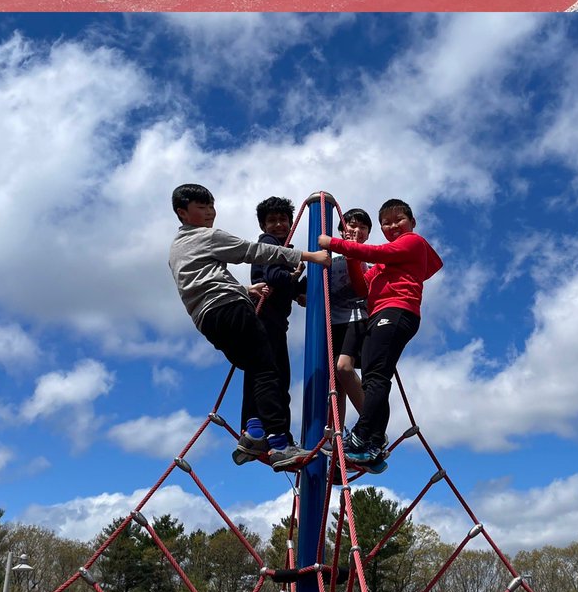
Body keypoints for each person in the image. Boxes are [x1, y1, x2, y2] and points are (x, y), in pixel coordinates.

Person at [168, 183, 330, 470]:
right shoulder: (207, 236)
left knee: (257, 369)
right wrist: (310, 257)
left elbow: (200, 282)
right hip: (232, 309)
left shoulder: (176, 248)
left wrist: (245, 289)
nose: (210, 213)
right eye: (201, 208)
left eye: (211, 206)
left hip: (207, 319)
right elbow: (252, 251)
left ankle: (254, 432)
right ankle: (280, 443)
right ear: (182, 213)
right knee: (270, 372)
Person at [319, 199, 443, 470]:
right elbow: (362, 286)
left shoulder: (413, 242)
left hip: (396, 310)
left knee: (375, 377)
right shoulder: (385, 266)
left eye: (398, 219)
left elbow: (375, 253)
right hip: (381, 314)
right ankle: (372, 444)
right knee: (376, 376)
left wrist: (331, 242)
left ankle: (363, 437)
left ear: (412, 222)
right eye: (386, 223)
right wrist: (352, 257)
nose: (392, 225)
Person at [240, 196, 306, 451]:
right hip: (264, 318)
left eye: (283, 219)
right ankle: (275, 436)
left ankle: (256, 427)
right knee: (272, 377)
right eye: (272, 221)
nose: (278, 224)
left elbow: (286, 284)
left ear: (290, 222)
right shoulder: (268, 244)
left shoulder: (283, 249)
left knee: (266, 374)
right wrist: (297, 274)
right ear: (263, 225)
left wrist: (300, 289)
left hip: (273, 321)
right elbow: (274, 277)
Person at [328, 208, 372, 436]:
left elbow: (362, 287)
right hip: (330, 323)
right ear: (341, 229)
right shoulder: (329, 255)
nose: (356, 230)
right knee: (335, 387)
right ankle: (335, 437)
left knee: (344, 368)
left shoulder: (367, 256)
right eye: (351, 226)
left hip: (356, 319)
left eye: (362, 227)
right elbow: (307, 288)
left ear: (367, 235)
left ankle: (372, 426)